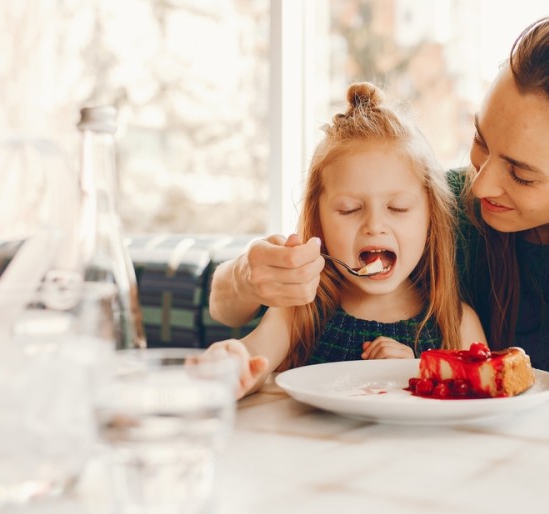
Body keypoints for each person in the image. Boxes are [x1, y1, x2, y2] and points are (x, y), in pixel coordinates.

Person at [209, 0, 549, 399]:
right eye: (481, 142)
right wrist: (248, 277)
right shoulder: (440, 205)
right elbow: (234, 312)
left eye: (521, 174)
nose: (480, 185)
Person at [206, 82, 486, 398]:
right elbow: (253, 362)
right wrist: (230, 364)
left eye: (398, 208)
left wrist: (416, 374)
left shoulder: (456, 321)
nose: (375, 225)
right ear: (319, 220)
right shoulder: (299, 309)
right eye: (349, 209)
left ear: (431, 217)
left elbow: (481, 398)